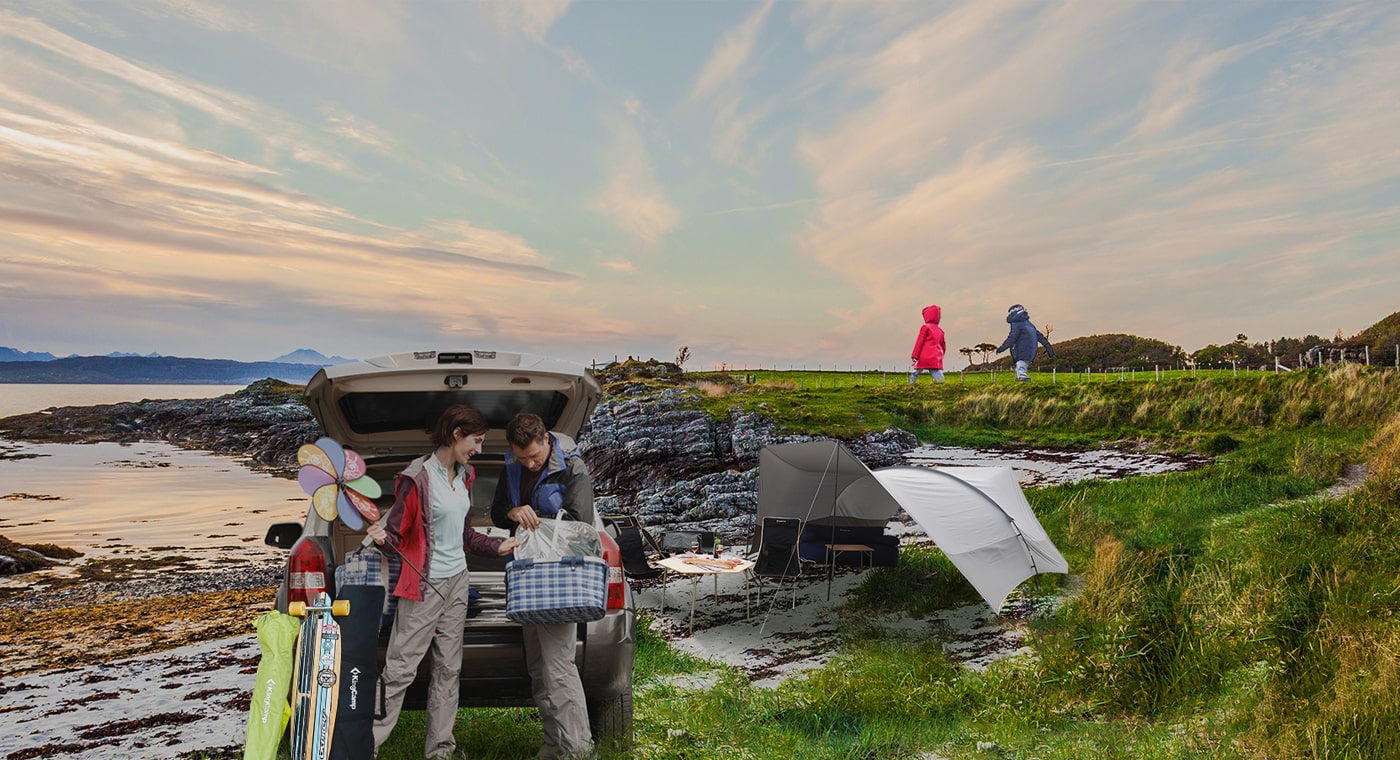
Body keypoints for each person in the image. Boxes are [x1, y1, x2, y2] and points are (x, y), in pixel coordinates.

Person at [365, 404, 520, 760]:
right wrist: (379, 538)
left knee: (449, 669)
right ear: (456, 434)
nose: (478, 449)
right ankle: (366, 745)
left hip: (457, 584)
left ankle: (440, 750)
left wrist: (498, 546)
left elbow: (464, 536)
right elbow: (395, 538)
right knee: (401, 669)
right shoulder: (418, 478)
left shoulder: (465, 475)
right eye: (476, 441)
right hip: (422, 586)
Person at [491, 413, 596, 760]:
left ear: (546, 441)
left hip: (559, 580)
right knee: (538, 666)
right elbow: (495, 511)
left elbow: (579, 523)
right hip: (527, 578)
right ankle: (555, 743)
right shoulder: (513, 466)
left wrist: (540, 522)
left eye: (534, 457)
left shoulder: (572, 468)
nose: (530, 464)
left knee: (558, 666)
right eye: (523, 458)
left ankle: (579, 750)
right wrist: (514, 511)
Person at [996, 303, 1055, 382]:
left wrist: (1002, 348)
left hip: (1021, 350)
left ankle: (1023, 378)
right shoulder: (1030, 325)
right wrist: (1049, 348)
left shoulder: (1017, 324)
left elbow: (1012, 337)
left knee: (1021, 364)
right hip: (1032, 351)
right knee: (1022, 364)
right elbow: (1040, 337)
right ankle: (1019, 380)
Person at [908, 303, 946, 384]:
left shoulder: (925, 327)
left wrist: (914, 355)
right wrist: (941, 356)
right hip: (935, 357)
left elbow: (919, 342)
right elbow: (943, 345)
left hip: (924, 356)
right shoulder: (940, 330)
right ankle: (942, 385)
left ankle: (910, 386)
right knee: (936, 372)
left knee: (915, 373)